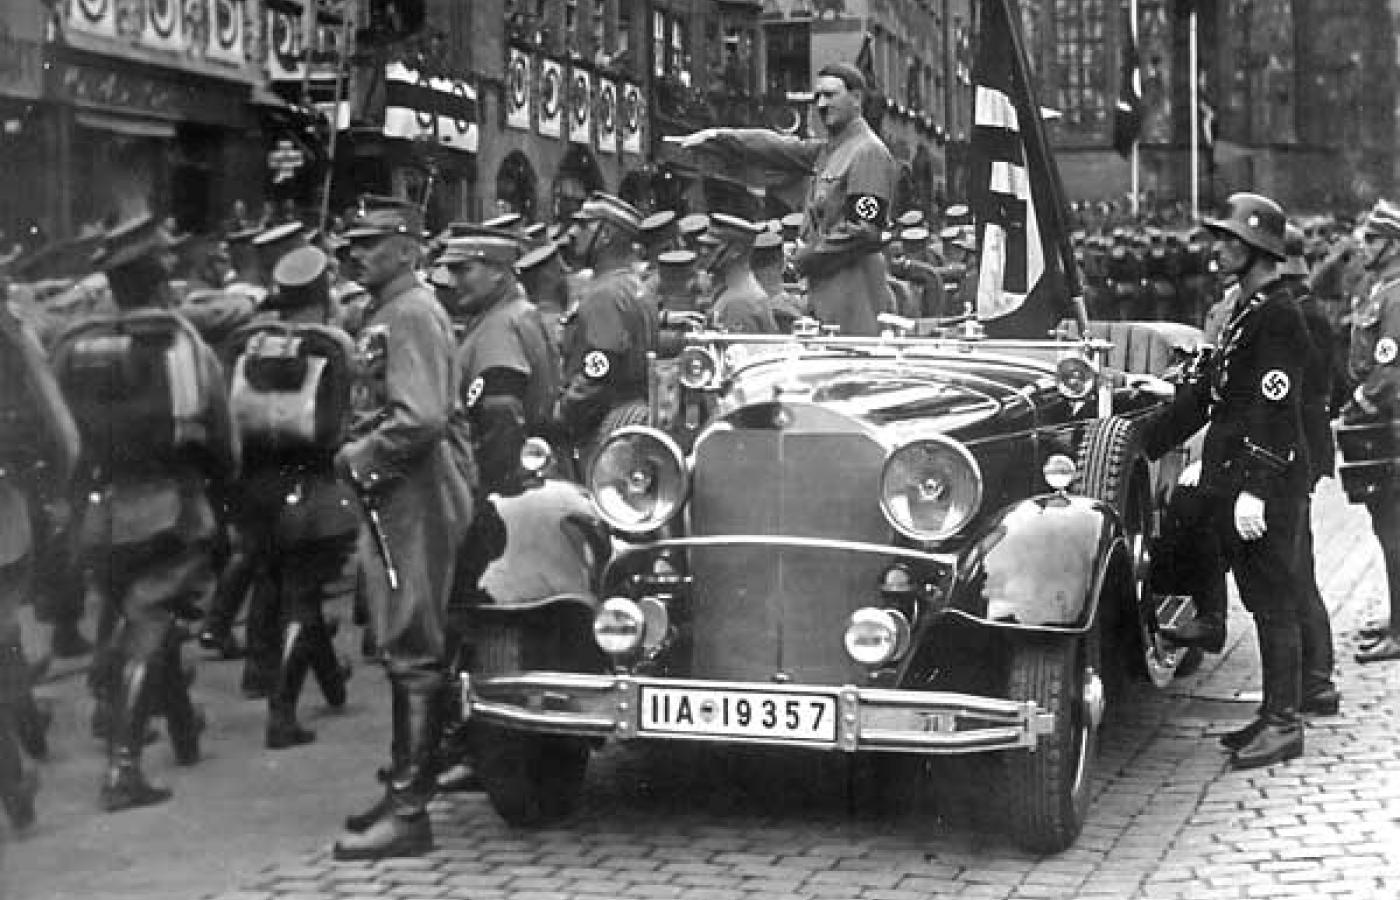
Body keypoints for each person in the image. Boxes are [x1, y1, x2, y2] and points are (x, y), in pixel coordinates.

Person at [51, 215, 240, 809]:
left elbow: (63, 436)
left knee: (140, 616)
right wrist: (221, 494)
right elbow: (221, 438)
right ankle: (123, 769)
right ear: (161, 277)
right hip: (170, 507)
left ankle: (182, 731)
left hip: (101, 515)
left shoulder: (75, 343)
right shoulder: (181, 342)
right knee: (150, 625)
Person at [1143, 193, 1314, 770]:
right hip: (1234, 473)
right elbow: (1209, 395)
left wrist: (1257, 488)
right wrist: (1145, 441)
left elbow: (1276, 408)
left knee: (1274, 602)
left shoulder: (1278, 315)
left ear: (1257, 249)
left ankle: (1284, 723)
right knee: (1258, 596)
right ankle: (1270, 714)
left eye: (1229, 240)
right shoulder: (1247, 309)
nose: (1218, 249)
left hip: (1265, 481)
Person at [330, 197, 476, 860]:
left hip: (415, 492)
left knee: (414, 645)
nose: (355, 253)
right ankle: (402, 791)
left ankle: (411, 811)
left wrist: (358, 459)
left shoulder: (411, 311)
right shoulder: (389, 309)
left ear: (409, 248)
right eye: (353, 243)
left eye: (371, 242)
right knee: (402, 641)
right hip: (400, 491)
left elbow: (419, 418)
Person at [225, 246, 358, 749]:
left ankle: (327, 682)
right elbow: (346, 420)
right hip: (315, 488)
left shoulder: (246, 342)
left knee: (279, 580)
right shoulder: (333, 345)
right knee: (304, 596)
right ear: (323, 295)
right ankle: (282, 713)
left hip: (257, 489)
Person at [679, 62, 897, 336]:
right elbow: (778, 146)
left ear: (856, 98)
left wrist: (802, 259)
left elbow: (864, 231)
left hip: (853, 297)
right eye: (817, 96)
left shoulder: (868, 153)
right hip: (826, 290)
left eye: (830, 95)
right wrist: (721, 137)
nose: (821, 104)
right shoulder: (830, 151)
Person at [0, 298, 81, 831]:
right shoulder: (7, 329)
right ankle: (15, 775)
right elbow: (59, 425)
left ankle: (24, 735)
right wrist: (59, 486)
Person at [434, 228, 560, 496]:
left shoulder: (499, 326)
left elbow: (501, 411)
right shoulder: (519, 312)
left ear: (498, 271)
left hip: (504, 487)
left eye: (463, 270)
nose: (453, 282)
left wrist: (493, 488)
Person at [553, 192, 659, 473]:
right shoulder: (635, 286)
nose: (572, 233)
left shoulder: (604, 295)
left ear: (606, 235)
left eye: (583, 225)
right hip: (634, 416)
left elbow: (597, 373)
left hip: (606, 426)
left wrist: (561, 415)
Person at [1340, 199, 1400, 664]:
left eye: (1373, 240)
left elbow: (1391, 367)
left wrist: (1359, 404)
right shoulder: (1380, 289)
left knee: (1394, 529)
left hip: (1389, 423)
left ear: (1393, 244)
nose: (1364, 246)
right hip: (1380, 421)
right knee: (1385, 527)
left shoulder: (1396, 295)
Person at [696, 213, 777, 334]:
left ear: (737, 251)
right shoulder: (731, 291)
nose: (703, 251)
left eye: (712, 247)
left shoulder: (738, 303)